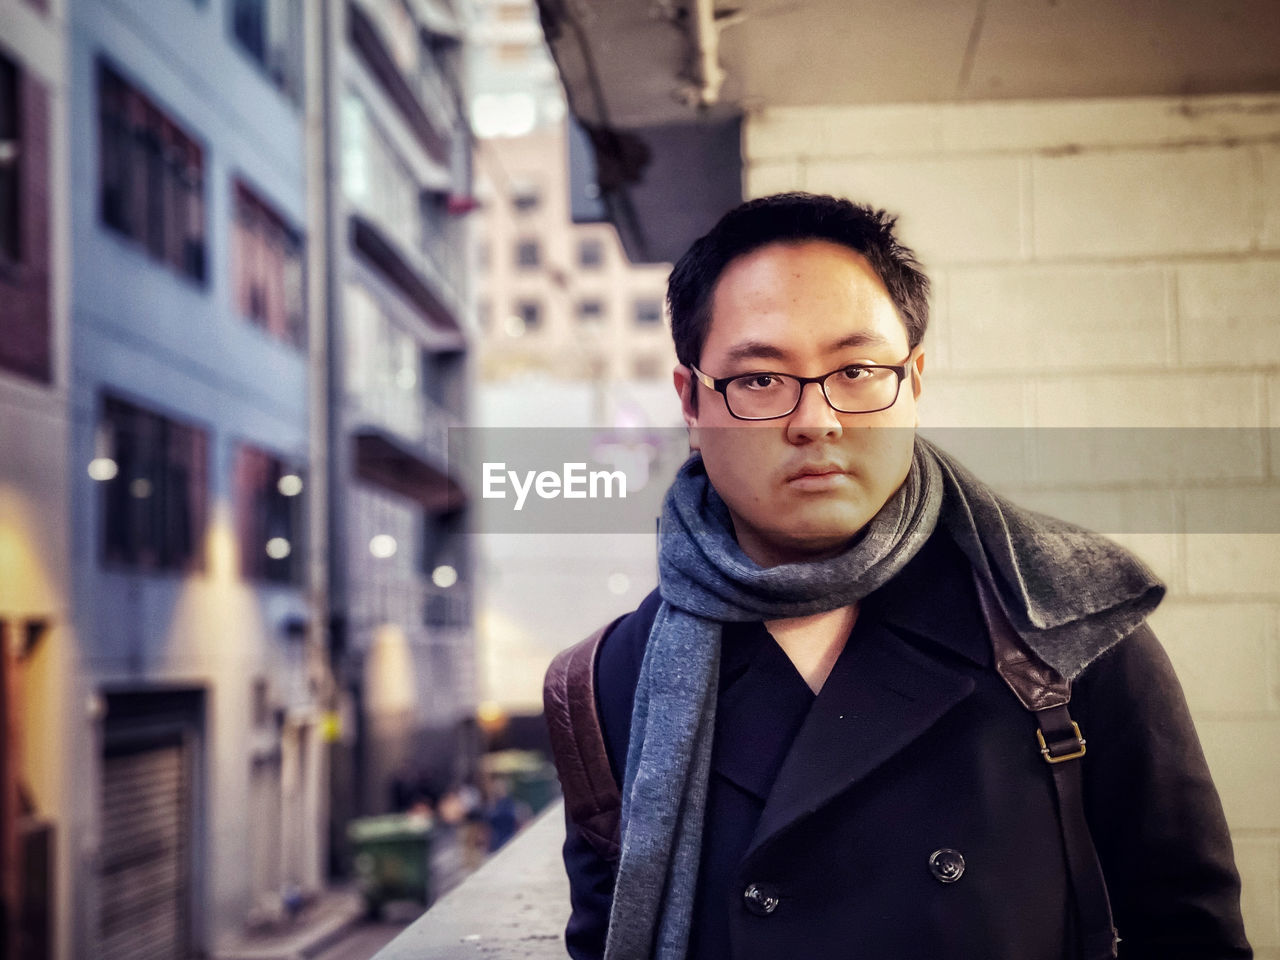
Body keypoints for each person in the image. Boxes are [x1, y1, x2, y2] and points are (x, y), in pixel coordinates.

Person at [544, 193, 1252, 960]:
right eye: (759, 380)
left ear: (912, 381)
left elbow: (1188, 930)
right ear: (691, 401)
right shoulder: (607, 684)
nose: (816, 420)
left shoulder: (1066, 625)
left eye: (855, 370)